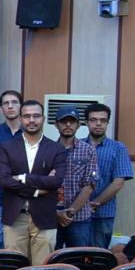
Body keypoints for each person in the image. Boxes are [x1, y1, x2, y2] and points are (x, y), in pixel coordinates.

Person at [0, 101, 67, 265]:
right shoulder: (7, 147)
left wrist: (24, 178)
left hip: (45, 217)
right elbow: (5, 181)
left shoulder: (56, 149)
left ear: (43, 119)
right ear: (20, 119)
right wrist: (36, 190)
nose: (31, 120)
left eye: (36, 116)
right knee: (14, 268)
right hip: (15, 217)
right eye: (27, 116)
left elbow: (56, 181)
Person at [85, 102, 133, 249]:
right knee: (74, 254)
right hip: (76, 214)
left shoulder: (118, 148)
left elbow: (118, 182)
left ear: (107, 123)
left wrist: (94, 204)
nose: (98, 123)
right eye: (93, 120)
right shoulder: (77, 146)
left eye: (103, 120)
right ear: (86, 122)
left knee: (98, 255)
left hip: (103, 214)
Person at [53, 106, 98, 249]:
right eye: (63, 121)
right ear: (56, 124)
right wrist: (57, 213)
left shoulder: (88, 150)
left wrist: (70, 212)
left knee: (79, 258)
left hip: (79, 218)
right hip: (52, 216)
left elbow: (90, 185)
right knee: (51, 258)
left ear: (78, 125)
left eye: (72, 121)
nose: (68, 125)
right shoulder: (48, 149)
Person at [0, 90, 23, 248]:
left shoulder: (29, 131)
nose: (10, 106)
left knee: (19, 245)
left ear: (21, 106)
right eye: (6, 103)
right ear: (1, 109)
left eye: (14, 102)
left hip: (23, 199)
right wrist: (15, 166)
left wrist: (3, 164)